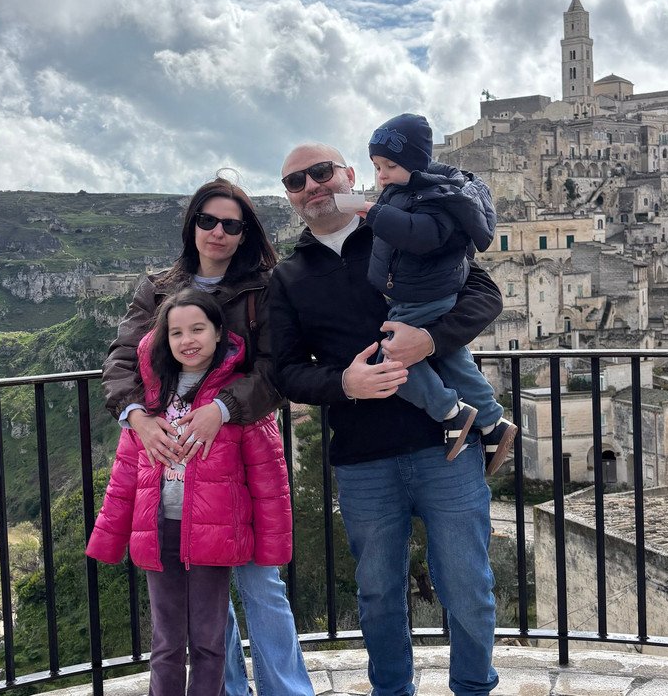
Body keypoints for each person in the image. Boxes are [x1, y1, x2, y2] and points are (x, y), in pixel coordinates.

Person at [269, 142, 503, 696]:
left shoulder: (404, 229)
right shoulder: (290, 276)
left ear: (349, 175)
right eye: (295, 182)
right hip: (362, 456)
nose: (311, 187)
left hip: (445, 442)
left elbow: (484, 293)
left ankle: (473, 688)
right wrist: (343, 384)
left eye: (321, 172)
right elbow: (285, 372)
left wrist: (431, 340)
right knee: (376, 592)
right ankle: (391, 692)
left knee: (467, 584)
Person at [101, 178, 312, 696]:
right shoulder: (157, 288)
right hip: (174, 457)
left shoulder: (265, 288)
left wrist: (223, 408)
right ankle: (230, 691)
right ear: (191, 224)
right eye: (207, 220)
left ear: (245, 234)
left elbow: (276, 369)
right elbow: (122, 360)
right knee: (204, 589)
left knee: (261, 583)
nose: (217, 232)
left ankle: (287, 690)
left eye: (231, 224)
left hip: (241, 452)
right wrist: (137, 417)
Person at [86, 288, 293, 696]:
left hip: (213, 537)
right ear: (164, 339)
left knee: (208, 644)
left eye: (198, 328)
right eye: (176, 332)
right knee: (165, 644)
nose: (188, 340)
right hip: (158, 532)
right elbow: (126, 473)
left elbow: (270, 481)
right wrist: (108, 539)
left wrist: (272, 548)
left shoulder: (236, 399)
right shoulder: (148, 400)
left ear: (219, 333)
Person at [357, 113, 517, 473]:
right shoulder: (410, 192)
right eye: (376, 166)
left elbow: (421, 235)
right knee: (453, 359)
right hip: (420, 294)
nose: (380, 175)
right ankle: (493, 422)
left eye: (389, 165)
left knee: (392, 364)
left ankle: (451, 413)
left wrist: (373, 213)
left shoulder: (436, 198)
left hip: (421, 297)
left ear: (414, 163)